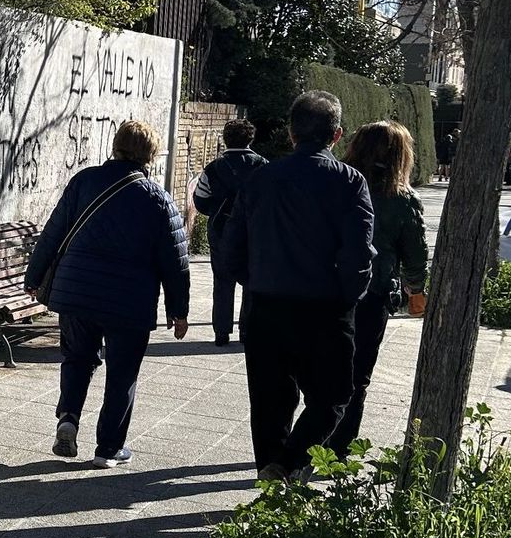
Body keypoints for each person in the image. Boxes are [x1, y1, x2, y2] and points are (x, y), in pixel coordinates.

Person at [220, 91, 375, 481]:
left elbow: (230, 249)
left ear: (291, 133)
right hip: (324, 307)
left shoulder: (260, 179)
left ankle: (273, 469)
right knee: (335, 395)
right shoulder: (349, 182)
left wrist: (256, 281)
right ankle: (288, 463)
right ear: (337, 135)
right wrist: (347, 296)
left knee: (270, 400)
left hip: (266, 304)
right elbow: (359, 253)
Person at [25, 120, 191, 469]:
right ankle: (108, 449)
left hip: (77, 293)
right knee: (122, 372)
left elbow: (54, 232)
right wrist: (179, 310)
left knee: (77, 359)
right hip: (129, 303)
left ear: (115, 146)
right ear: (150, 155)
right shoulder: (158, 199)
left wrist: (34, 276)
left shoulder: (84, 181)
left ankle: (68, 417)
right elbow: (174, 261)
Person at [326, 121, 428, 457]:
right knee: (358, 375)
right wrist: (416, 291)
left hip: (327, 287)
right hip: (374, 292)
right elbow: (415, 254)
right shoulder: (402, 199)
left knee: (322, 367)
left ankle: (315, 432)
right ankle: (339, 446)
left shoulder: (336, 184)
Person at [192, 118, 268, 345]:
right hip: (253, 231)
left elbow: (200, 200)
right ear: (251, 139)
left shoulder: (213, 168)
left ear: (225, 140)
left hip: (221, 228)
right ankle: (246, 330)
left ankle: (221, 332)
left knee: (222, 281)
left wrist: (216, 213)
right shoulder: (263, 166)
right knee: (251, 280)